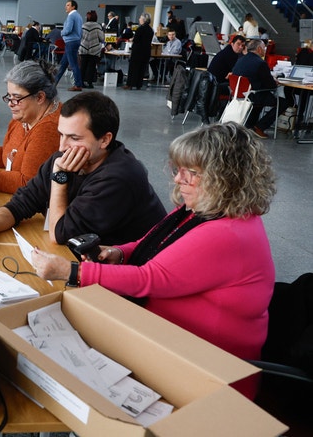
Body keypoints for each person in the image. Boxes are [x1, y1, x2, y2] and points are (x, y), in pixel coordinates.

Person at [30, 123, 276, 400]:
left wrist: (72, 272)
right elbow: (156, 244)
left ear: (225, 178)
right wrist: (120, 252)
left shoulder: (227, 233)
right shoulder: (206, 212)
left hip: (209, 374)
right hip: (174, 344)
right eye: (178, 169)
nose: (178, 179)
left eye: (191, 172)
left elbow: (149, 278)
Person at [0, 91, 166, 249]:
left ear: (104, 140)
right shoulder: (64, 157)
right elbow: (21, 203)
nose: (62, 147)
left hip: (131, 277)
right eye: (61, 134)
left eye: (74, 138)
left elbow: (60, 235)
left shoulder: (118, 177)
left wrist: (59, 178)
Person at [0, 61, 61, 194]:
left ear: (40, 97)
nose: (10, 104)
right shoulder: (25, 116)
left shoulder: (48, 130)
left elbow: (28, 183)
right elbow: (9, 152)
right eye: (9, 97)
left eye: (17, 98)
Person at [232, 39, 283, 139]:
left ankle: (250, 125)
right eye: (264, 48)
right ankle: (260, 127)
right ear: (259, 49)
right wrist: (274, 82)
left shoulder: (240, 59)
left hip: (239, 93)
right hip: (253, 95)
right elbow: (271, 86)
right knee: (283, 102)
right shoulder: (260, 63)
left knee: (261, 98)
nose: (265, 50)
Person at [55, 0, 84, 92]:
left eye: (68, 5)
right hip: (75, 41)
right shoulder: (79, 16)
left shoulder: (71, 16)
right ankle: (54, 82)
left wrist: (62, 33)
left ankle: (78, 85)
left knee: (73, 64)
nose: (65, 7)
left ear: (73, 6)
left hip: (70, 42)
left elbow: (68, 30)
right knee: (63, 64)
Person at [123, 12, 154, 90]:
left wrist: (132, 39)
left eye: (140, 18)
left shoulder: (140, 29)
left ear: (144, 19)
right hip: (146, 51)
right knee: (142, 69)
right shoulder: (150, 30)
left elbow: (136, 39)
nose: (139, 19)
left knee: (133, 68)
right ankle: (138, 84)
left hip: (138, 51)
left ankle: (130, 84)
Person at [79, 10, 104, 89]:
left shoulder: (83, 25)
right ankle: (89, 83)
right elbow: (102, 38)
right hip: (94, 49)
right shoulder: (98, 26)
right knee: (91, 66)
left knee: (83, 66)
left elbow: (79, 36)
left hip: (83, 48)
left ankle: (81, 82)